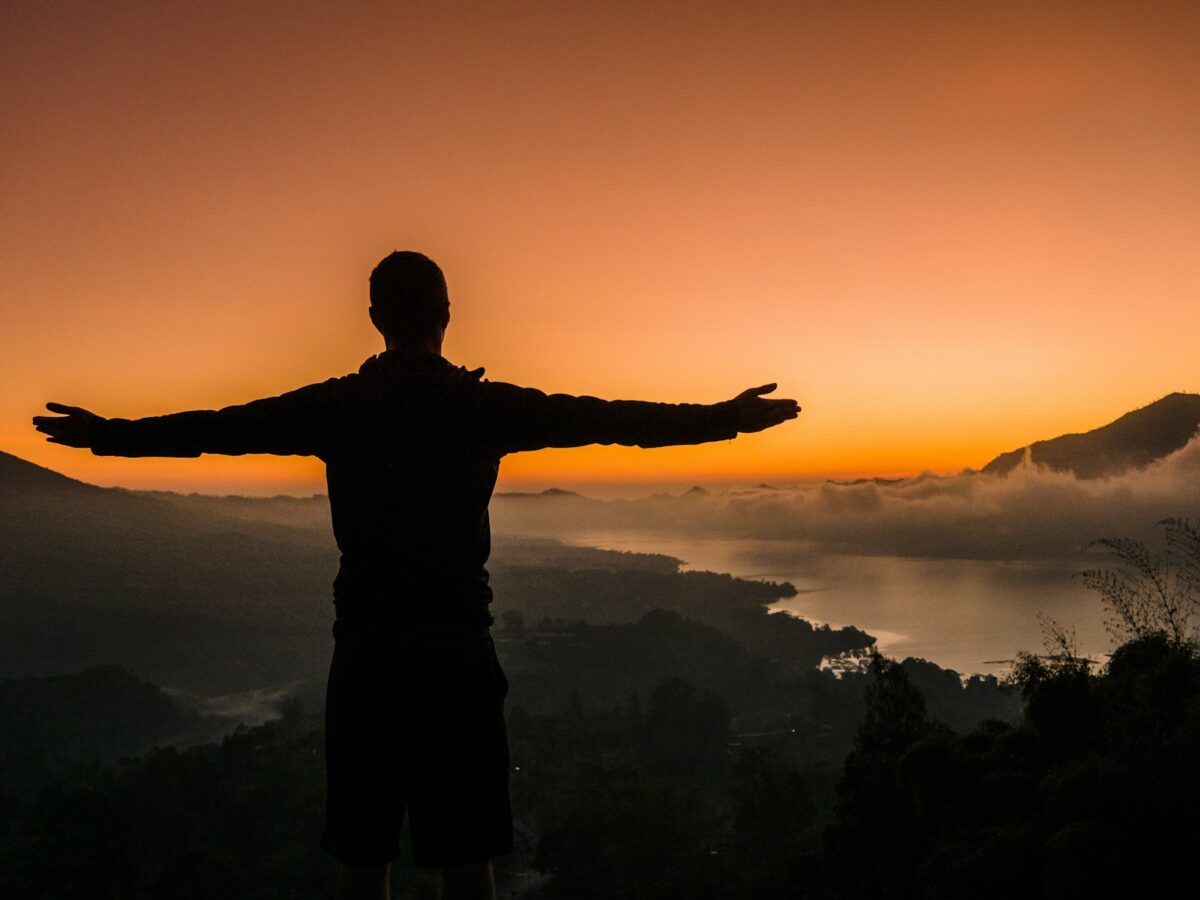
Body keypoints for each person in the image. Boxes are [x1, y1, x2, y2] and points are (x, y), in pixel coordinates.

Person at [33, 250, 801, 900]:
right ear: (447, 313)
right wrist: (723, 418)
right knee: (467, 859)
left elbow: (219, 430)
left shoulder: (342, 406)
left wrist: (111, 438)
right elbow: (610, 419)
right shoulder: (480, 408)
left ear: (375, 319)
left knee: (364, 857)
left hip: (366, 652)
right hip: (456, 655)